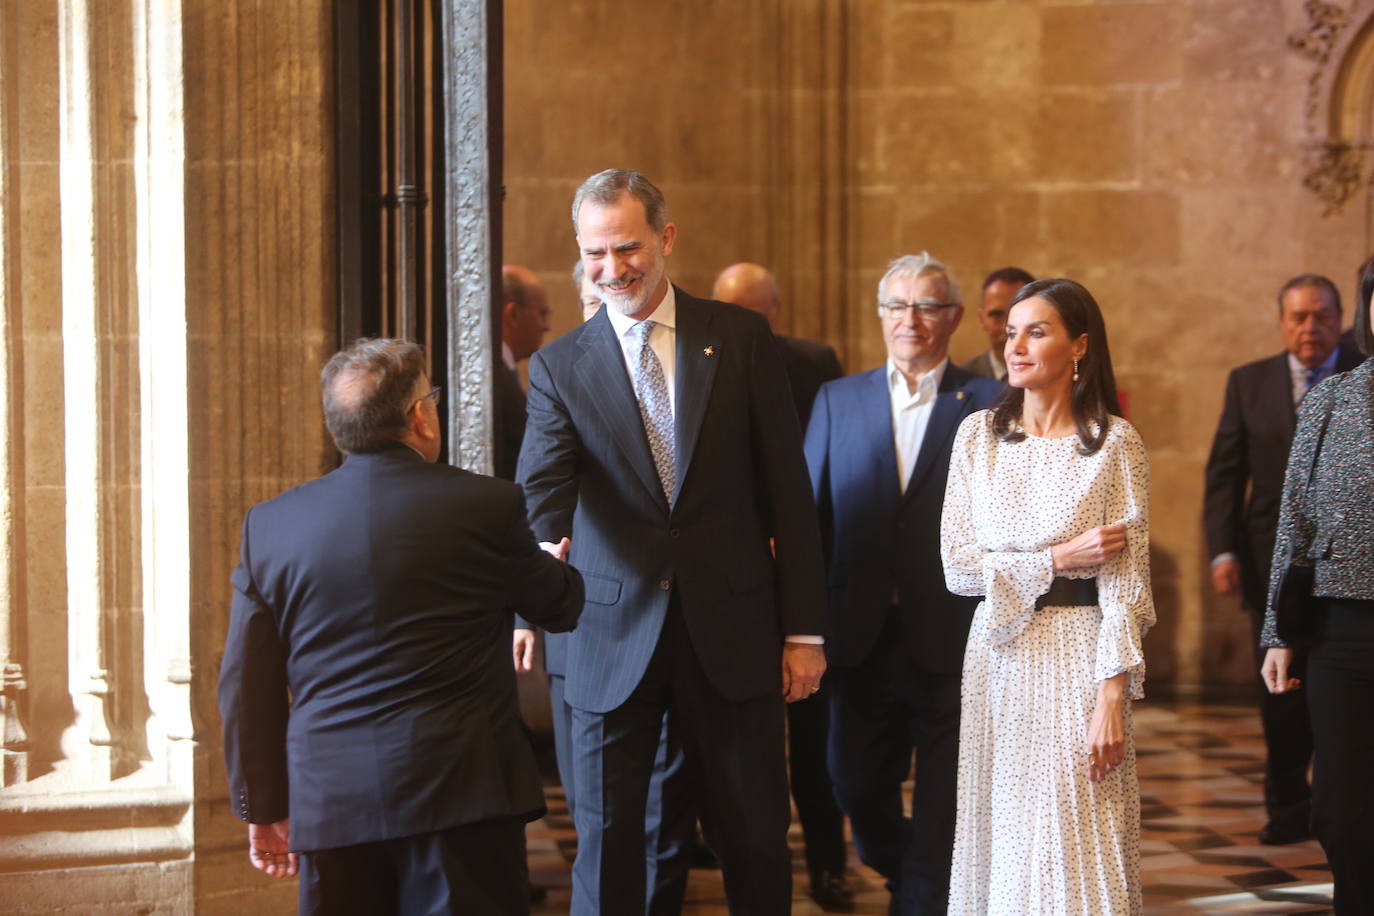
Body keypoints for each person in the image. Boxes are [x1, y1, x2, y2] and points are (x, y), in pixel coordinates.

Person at [517, 168, 828, 916]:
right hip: (606, 636)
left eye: (627, 248)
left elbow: (790, 492)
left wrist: (804, 630)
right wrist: (531, 596)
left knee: (754, 837)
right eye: (594, 253)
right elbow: (541, 495)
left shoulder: (742, 340)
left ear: (665, 238)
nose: (612, 269)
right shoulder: (561, 365)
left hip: (732, 631)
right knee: (609, 844)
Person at [217, 338, 584, 915]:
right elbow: (558, 608)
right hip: (464, 798)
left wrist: (261, 804)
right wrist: (553, 564)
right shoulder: (486, 506)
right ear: (421, 416)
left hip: (332, 800)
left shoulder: (271, 527)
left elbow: (244, 684)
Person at [941, 278, 1155, 915]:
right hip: (999, 657)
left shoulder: (1115, 443)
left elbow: (1127, 582)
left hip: (1078, 659)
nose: (1017, 345)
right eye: (1011, 332)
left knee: (1079, 831)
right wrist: (1054, 560)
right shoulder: (977, 437)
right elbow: (958, 568)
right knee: (1002, 830)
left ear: (1079, 346)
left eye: (1037, 331)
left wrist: (1112, 696)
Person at [805, 253, 1001, 914]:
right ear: (881, 315)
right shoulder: (838, 400)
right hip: (857, 637)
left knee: (946, 805)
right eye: (897, 305)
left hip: (956, 640)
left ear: (952, 318)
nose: (909, 320)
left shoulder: (993, 405)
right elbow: (811, 520)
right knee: (853, 786)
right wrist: (802, 626)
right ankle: (911, 877)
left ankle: (920, 899)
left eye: (926, 306)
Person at [1203, 273, 1362, 844]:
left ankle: (1340, 806)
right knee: (1281, 692)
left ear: (1343, 316)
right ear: (1281, 321)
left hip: (1350, 572)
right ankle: (1287, 806)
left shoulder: (1359, 378)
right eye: (1298, 316)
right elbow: (1225, 475)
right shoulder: (1250, 382)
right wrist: (1222, 550)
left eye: (1321, 315)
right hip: (1270, 563)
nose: (1310, 327)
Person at [712, 261, 851, 909]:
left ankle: (828, 865)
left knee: (813, 740)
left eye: (753, 310)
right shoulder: (698, 359)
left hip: (799, 571)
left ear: (776, 311)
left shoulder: (812, 361)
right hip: (730, 582)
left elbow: (823, 461)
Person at [1261, 258, 1374, 915]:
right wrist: (1279, 630)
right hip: (1341, 630)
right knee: (1340, 809)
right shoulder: (1333, 397)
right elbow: (1295, 522)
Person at [713, 262, 844, 428]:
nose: (741, 323)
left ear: (775, 310)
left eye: (752, 314)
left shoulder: (817, 363)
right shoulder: (698, 362)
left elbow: (837, 427)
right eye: (731, 311)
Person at [494, 265, 553, 480]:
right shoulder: (492, 379)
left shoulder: (502, 372)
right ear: (513, 314)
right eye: (542, 313)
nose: (546, 326)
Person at [960, 267, 1033, 382]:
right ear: (982, 319)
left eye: (1019, 316)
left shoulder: (1059, 378)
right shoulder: (961, 383)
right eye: (997, 316)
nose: (1007, 328)